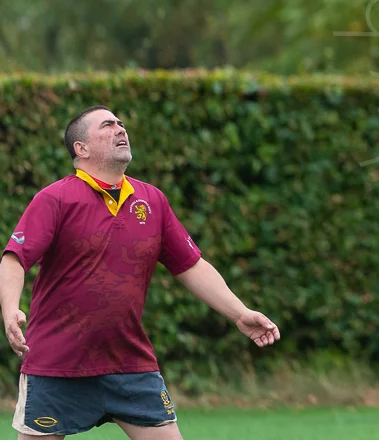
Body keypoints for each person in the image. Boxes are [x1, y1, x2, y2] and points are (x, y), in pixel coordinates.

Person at [1, 106, 281, 439]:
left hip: (130, 364)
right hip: (57, 365)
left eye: (121, 123)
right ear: (81, 149)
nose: (120, 129)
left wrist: (239, 314)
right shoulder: (55, 199)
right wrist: (9, 311)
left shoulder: (152, 200)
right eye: (108, 125)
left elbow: (190, 265)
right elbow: (14, 258)